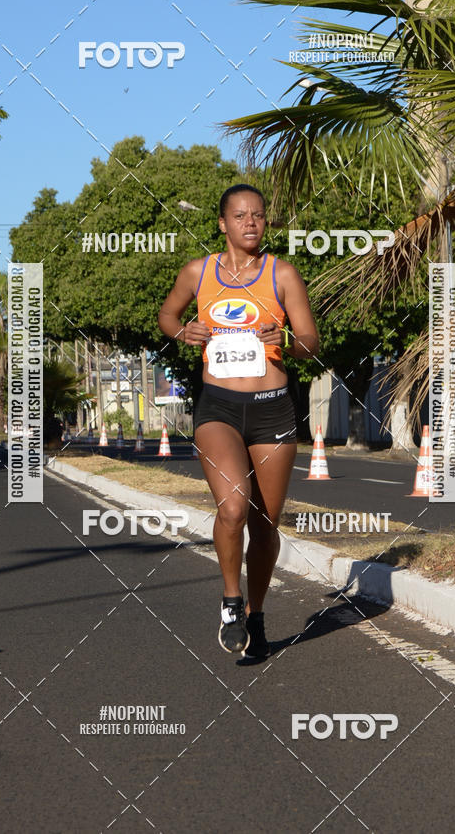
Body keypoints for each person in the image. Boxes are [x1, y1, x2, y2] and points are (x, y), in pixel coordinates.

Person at [158, 184, 319, 658]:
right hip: (219, 407)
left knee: (265, 522)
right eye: (241, 215)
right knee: (232, 508)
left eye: (259, 216)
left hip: (274, 406)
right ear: (223, 223)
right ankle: (231, 600)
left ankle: (257, 615)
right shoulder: (198, 272)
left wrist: (286, 338)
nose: (251, 223)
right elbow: (168, 314)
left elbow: (311, 341)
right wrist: (182, 330)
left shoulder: (282, 273)